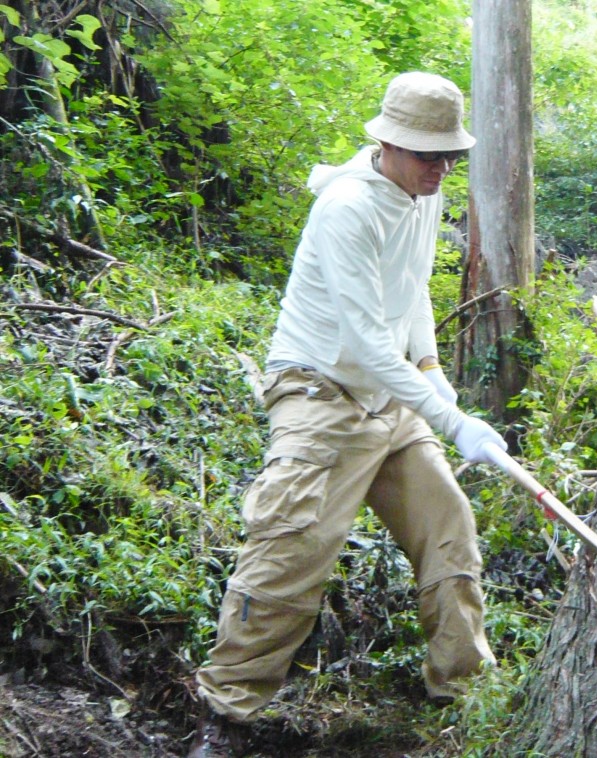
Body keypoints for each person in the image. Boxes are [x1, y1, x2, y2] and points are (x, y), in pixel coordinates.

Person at [188, 71, 507, 758]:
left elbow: (412, 288)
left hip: (392, 396)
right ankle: (227, 714)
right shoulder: (346, 209)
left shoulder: (424, 190)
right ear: (388, 143)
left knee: (447, 524)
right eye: (429, 154)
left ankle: (465, 693)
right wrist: (451, 421)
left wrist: (431, 372)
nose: (441, 167)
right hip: (321, 393)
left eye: (449, 155)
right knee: (291, 548)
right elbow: (363, 338)